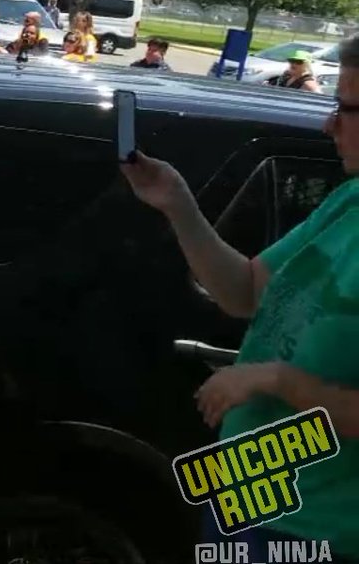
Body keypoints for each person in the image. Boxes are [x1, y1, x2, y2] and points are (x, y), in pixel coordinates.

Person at [119, 33, 359, 562]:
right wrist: (177, 202)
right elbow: (245, 291)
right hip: (249, 491)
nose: (329, 124)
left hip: (319, 532)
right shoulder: (350, 200)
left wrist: (277, 379)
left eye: (345, 108)